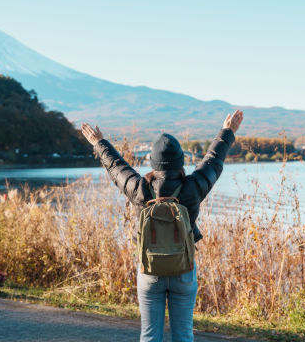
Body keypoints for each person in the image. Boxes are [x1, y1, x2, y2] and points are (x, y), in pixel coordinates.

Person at [81, 109, 243, 342]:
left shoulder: (139, 189)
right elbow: (213, 161)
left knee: (149, 335)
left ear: (153, 163)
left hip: (150, 271)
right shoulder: (193, 187)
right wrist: (227, 132)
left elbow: (117, 168)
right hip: (183, 270)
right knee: (184, 335)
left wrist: (99, 143)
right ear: (180, 162)